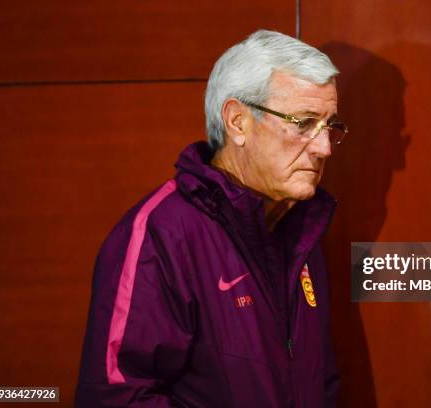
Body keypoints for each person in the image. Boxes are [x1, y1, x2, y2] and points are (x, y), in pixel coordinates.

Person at [75, 29, 348, 407]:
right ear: (237, 121)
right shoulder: (162, 235)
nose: (323, 148)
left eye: (329, 127)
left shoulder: (301, 229)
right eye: (303, 123)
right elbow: (116, 398)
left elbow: (320, 384)